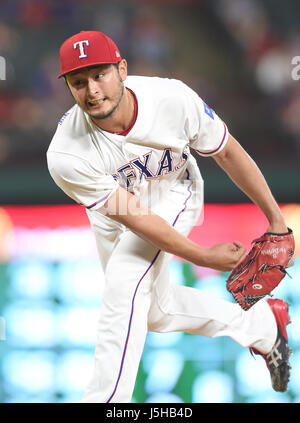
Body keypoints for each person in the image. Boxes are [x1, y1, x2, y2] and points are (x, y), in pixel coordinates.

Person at [47, 30, 292, 403]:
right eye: (79, 82)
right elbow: (137, 218)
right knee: (154, 313)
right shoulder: (66, 155)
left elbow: (226, 152)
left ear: (122, 69)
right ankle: (262, 327)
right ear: (68, 87)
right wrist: (203, 256)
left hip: (173, 189)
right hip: (117, 216)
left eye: (100, 75)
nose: (92, 90)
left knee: (124, 282)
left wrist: (276, 221)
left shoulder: (171, 99)